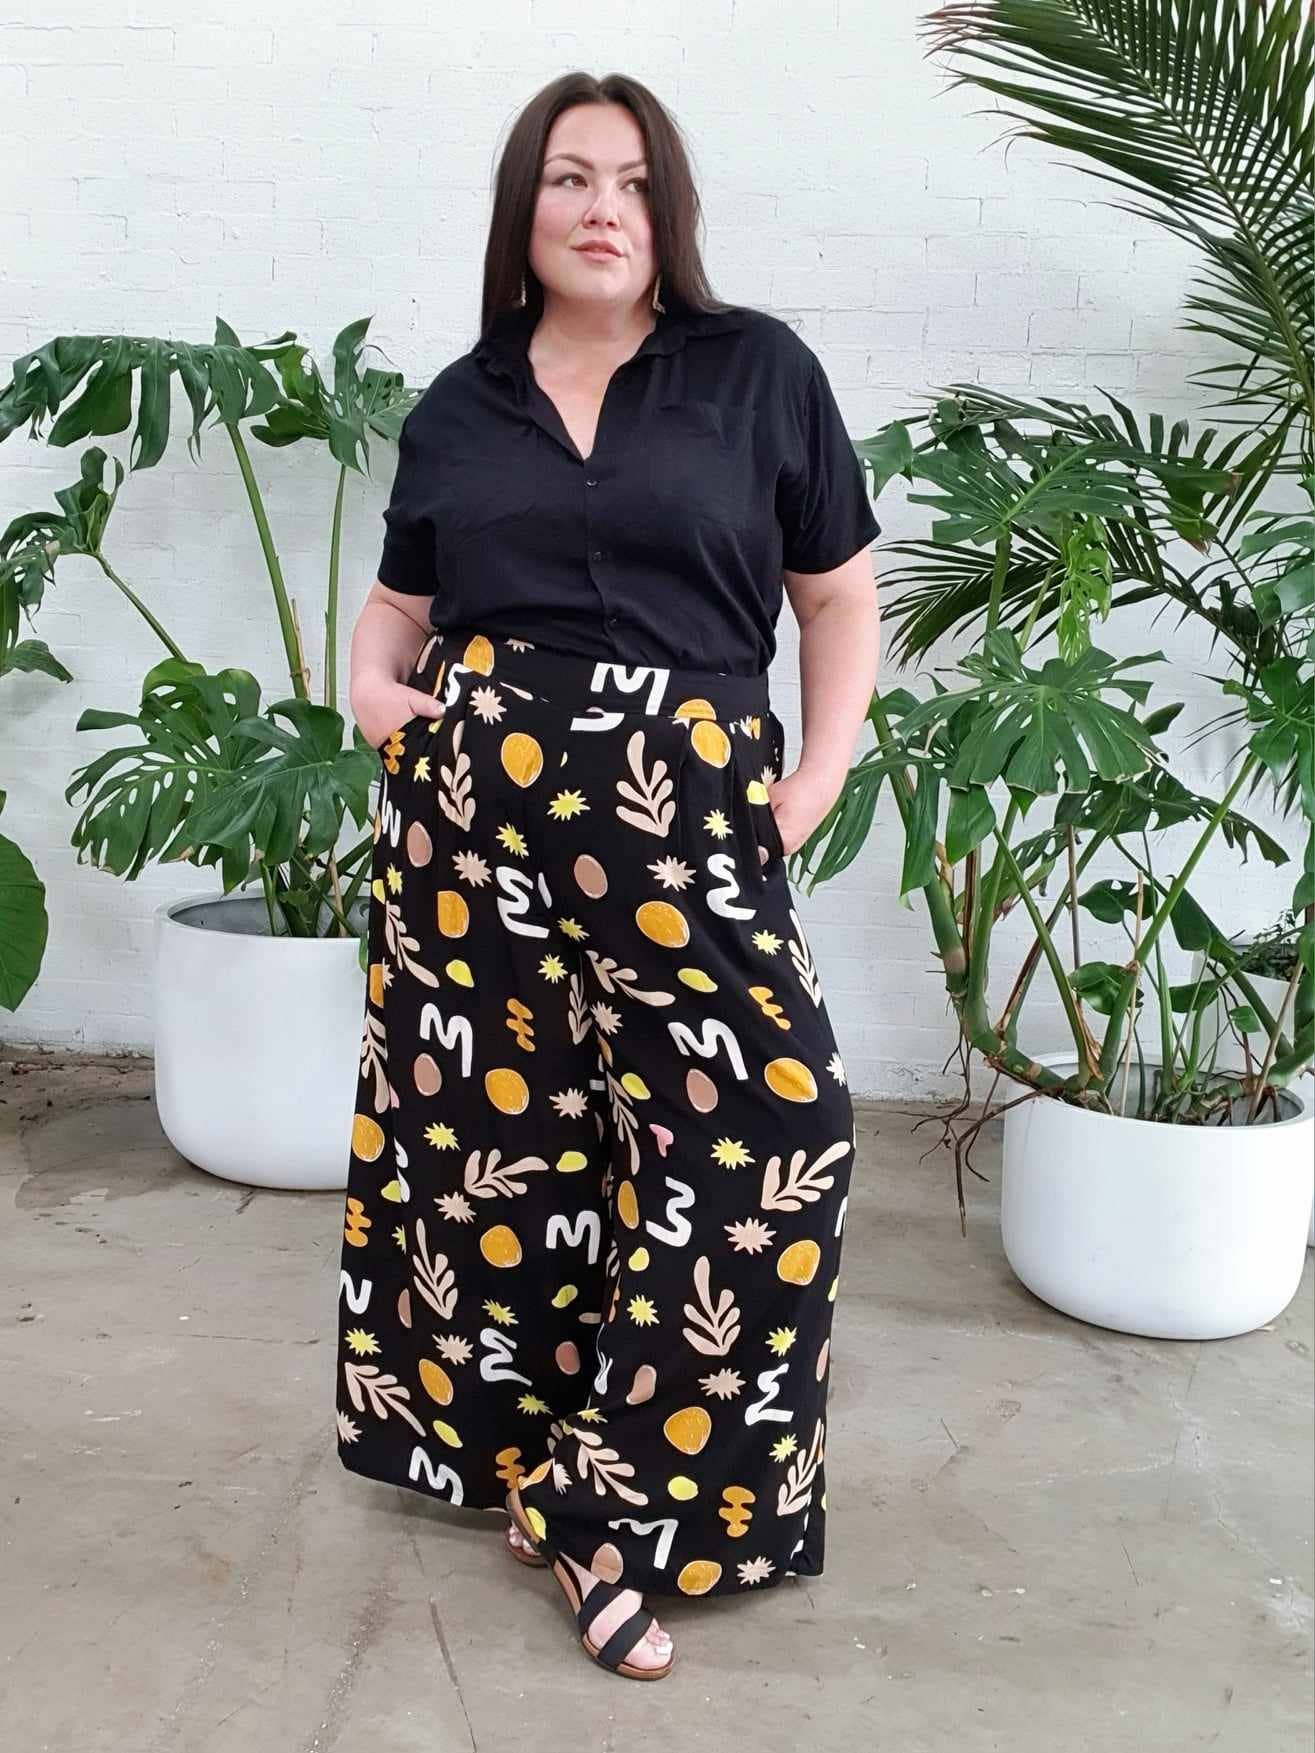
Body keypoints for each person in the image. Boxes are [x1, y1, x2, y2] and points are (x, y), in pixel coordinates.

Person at [336, 70, 882, 1682]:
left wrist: (812, 781)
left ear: (669, 213)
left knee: (778, 1125)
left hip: (684, 811)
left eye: (634, 183)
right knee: (516, 1156)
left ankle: (602, 1488)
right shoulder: (460, 406)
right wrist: (373, 691)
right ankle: (549, 1476)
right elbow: (398, 610)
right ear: (525, 208)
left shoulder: (757, 373)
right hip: (477, 821)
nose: (602, 209)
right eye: (572, 177)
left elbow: (838, 598)